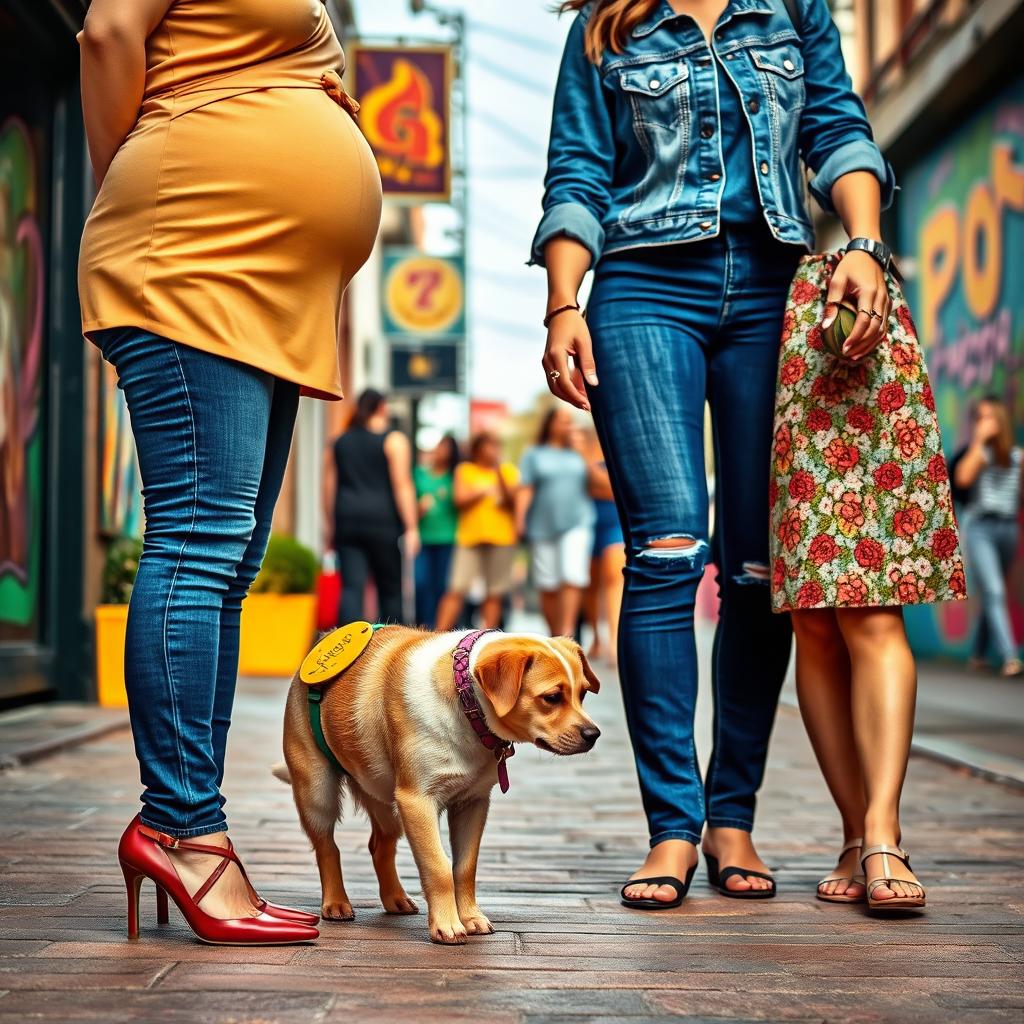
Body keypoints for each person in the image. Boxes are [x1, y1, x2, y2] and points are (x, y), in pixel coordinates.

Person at [534, 0, 897, 909]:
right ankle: (672, 826)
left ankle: (731, 814)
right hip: (642, 288)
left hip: (777, 288)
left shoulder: (793, 11)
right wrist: (563, 303)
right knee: (664, 553)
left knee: (755, 569)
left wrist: (863, 244)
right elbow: (576, 172)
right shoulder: (605, 28)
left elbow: (836, 126)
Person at [79, 0, 382, 943]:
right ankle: (181, 830)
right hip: (196, 246)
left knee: (230, 555)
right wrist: (139, 178)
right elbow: (107, 34)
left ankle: (188, 822)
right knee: (199, 539)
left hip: (261, 274)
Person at [323, 390, 419, 627]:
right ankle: (395, 653)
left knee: (351, 589)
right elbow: (402, 485)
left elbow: (328, 487)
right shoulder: (394, 440)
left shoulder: (340, 441)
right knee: (390, 590)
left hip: (347, 521)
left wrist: (331, 525)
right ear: (383, 407)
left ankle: (345, 653)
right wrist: (412, 527)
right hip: (383, 523)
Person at [951, 397, 1023, 678]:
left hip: (1008, 528)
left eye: (987, 417)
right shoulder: (977, 454)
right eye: (978, 418)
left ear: (1000, 421)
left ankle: (979, 654)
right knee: (994, 591)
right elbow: (963, 480)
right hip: (980, 528)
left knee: (993, 592)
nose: (982, 423)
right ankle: (1010, 657)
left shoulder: (1017, 457)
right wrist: (979, 442)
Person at [515, 410, 596, 637]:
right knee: (548, 583)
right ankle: (555, 634)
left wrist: (585, 455)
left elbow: (597, 483)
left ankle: (568, 632)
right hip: (542, 525)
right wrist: (520, 519)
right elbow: (525, 489)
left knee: (572, 575)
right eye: (562, 421)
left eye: (570, 422)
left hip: (578, 521)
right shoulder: (534, 454)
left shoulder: (579, 453)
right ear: (549, 423)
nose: (567, 426)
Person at [434, 432, 519, 631]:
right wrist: (482, 490)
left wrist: (498, 472)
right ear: (478, 449)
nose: (494, 450)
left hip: (501, 538)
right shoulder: (465, 470)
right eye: (489, 445)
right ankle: (438, 633)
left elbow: (512, 501)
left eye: (497, 445)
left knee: (494, 592)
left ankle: (487, 637)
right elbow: (459, 499)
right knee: (457, 588)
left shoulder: (507, 471)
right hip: (469, 539)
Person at [583, 435, 625, 668]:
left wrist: (589, 469)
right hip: (586, 526)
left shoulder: (617, 448)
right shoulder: (578, 450)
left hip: (614, 525)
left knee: (612, 581)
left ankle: (613, 642)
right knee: (590, 586)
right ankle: (597, 638)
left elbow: (617, 489)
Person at [414, 435, 461, 628]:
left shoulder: (455, 477)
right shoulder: (419, 474)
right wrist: (418, 508)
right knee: (421, 583)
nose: (441, 451)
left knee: (443, 586)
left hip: (448, 539)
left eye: (447, 447)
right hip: (423, 538)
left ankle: (440, 628)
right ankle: (423, 625)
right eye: (440, 445)